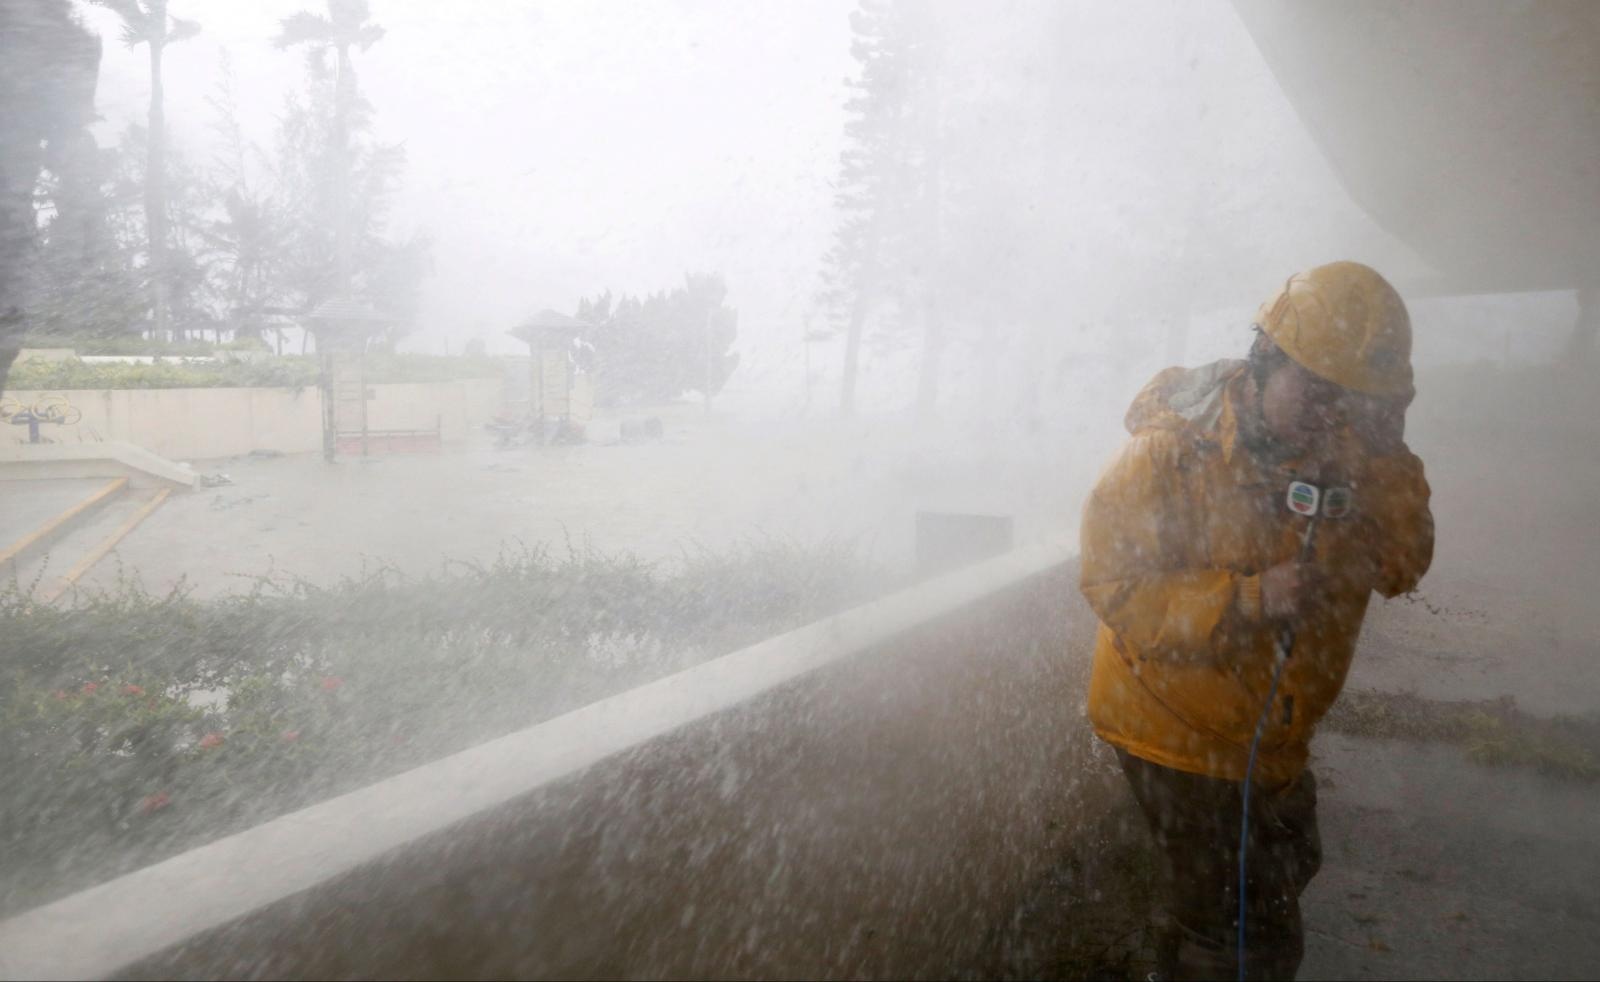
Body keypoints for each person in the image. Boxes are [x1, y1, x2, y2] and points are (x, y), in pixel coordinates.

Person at [1079, 261, 1434, 980]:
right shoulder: (1171, 451)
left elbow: (1404, 565)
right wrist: (1245, 600)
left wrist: (1388, 456)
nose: (1326, 414)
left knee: (1270, 878)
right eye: (1314, 389)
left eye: (1349, 400)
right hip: (1172, 726)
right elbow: (1113, 580)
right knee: (1249, 934)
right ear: (1265, 361)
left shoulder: (1358, 459)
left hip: (1268, 735)